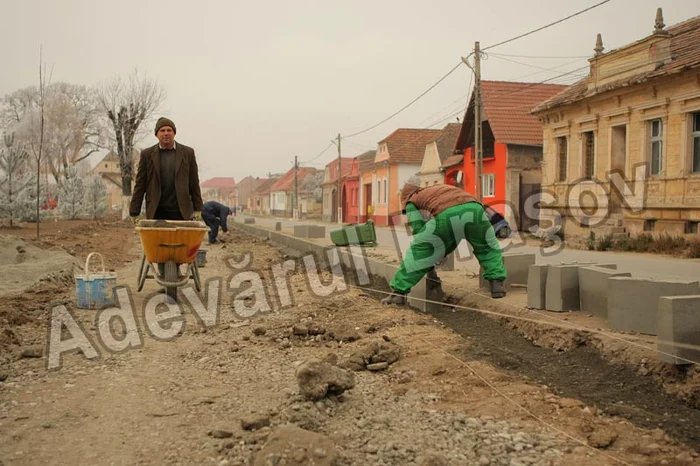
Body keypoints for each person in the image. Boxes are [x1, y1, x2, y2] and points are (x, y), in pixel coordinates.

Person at [381, 183, 507, 305]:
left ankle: (398, 293)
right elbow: (452, 237)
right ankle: (496, 285)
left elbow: (419, 229)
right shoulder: (436, 191)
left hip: (447, 213)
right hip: (475, 209)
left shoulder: (411, 200)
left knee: (420, 250)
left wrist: (429, 253)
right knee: (487, 247)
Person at [129, 117, 203, 223]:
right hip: (157, 211)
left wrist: (198, 208)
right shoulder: (147, 155)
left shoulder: (187, 153)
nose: (166, 133)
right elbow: (140, 184)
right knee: (158, 239)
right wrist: (134, 211)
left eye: (169, 130)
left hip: (181, 211)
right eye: (162, 130)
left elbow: (194, 182)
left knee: (180, 240)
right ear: (157, 134)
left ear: (174, 133)